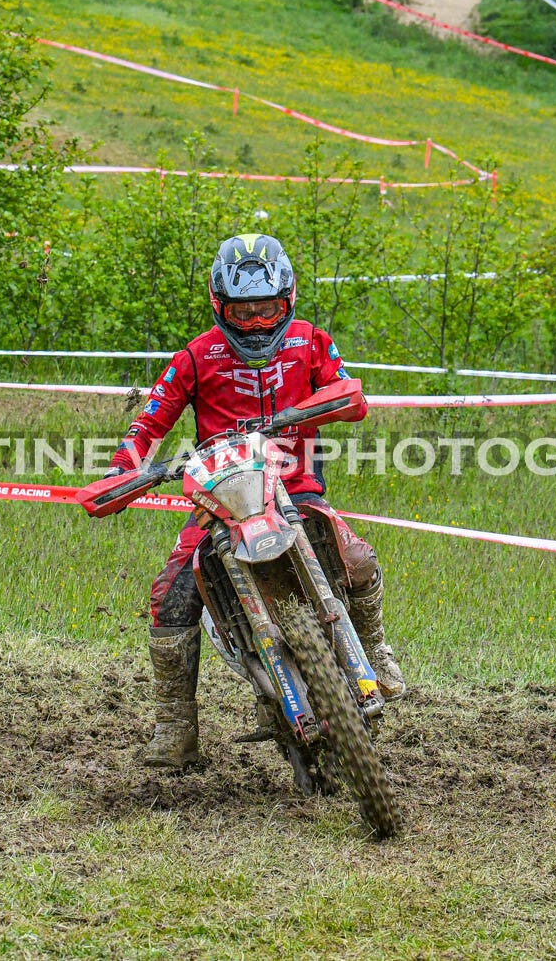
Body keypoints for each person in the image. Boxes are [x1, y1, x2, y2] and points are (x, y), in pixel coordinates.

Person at [106, 233, 406, 769]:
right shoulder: (194, 357)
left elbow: (348, 394)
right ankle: (175, 725)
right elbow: (148, 423)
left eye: (267, 309)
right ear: (219, 305)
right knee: (170, 593)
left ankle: (375, 648)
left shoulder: (310, 342)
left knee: (356, 558)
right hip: (220, 498)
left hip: (295, 488)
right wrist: (121, 469)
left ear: (287, 300)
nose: (255, 324)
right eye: (242, 312)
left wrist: (331, 401)